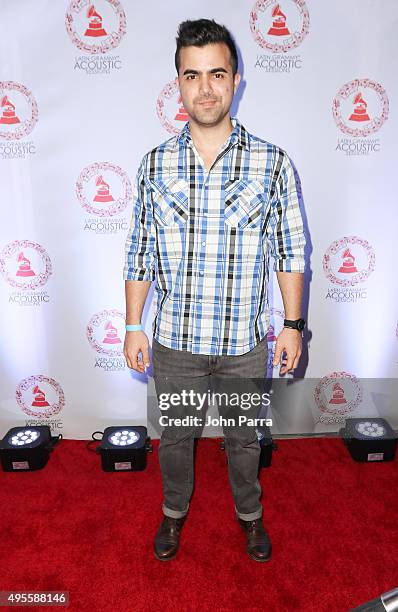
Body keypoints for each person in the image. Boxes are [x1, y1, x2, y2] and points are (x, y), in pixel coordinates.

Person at [123, 18, 306, 562]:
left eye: (217, 74)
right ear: (177, 83)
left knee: (244, 441)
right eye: (192, 75)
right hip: (174, 342)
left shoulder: (271, 163)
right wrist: (133, 324)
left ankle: (250, 516)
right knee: (175, 441)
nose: (205, 88)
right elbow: (140, 253)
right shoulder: (154, 164)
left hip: (244, 343)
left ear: (236, 79)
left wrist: (293, 325)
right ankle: (173, 516)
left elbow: (291, 251)